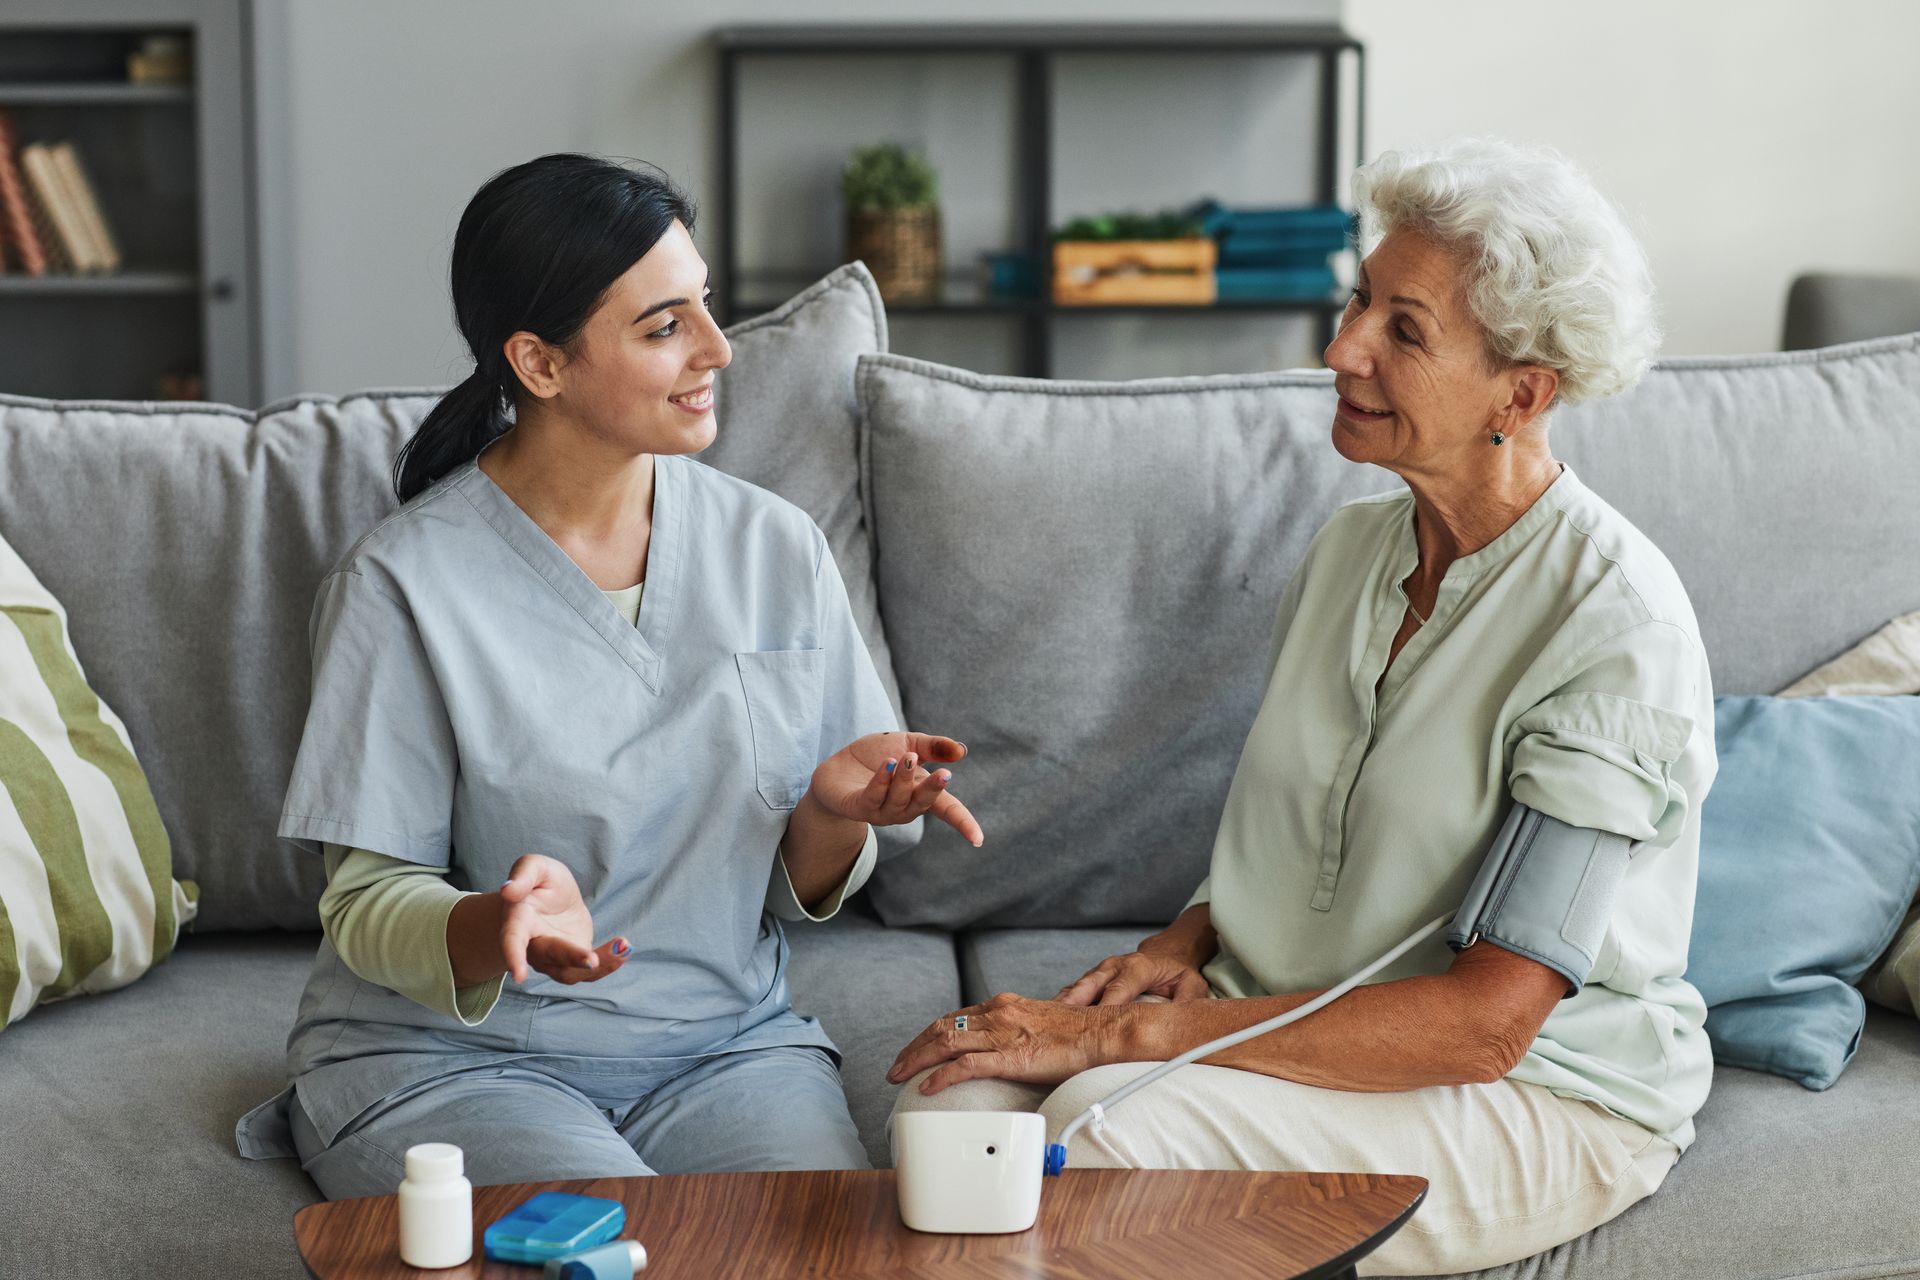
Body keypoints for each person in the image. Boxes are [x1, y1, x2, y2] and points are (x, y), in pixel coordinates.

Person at [888, 137, 1716, 1277]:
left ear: (1521, 394)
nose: (1342, 349)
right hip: (1287, 1015)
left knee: (1098, 1130)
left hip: (1539, 1093)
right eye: (1356, 303)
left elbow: (1489, 1022)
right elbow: (1307, 832)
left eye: (1403, 330)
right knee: (948, 1111)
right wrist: (1182, 942)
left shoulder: (1613, 626)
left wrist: (1132, 1033)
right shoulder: (1351, 555)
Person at [234, 154, 982, 1199]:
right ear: (539, 363)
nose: (719, 349)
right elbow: (365, 902)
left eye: (706, 305)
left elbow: (785, 881)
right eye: (664, 326)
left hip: (726, 1052)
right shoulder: (401, 584)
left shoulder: (777, 548)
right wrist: (496, 925)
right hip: (459, 1063)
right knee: (611, 1253)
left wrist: (831, 810)